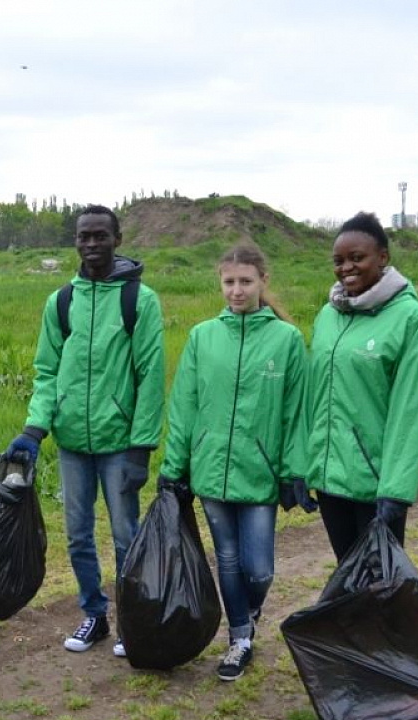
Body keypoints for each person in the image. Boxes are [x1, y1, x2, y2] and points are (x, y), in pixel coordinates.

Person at [7, 204, 165, 657]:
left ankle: (132, 622)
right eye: (83, 237)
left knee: (124, 535)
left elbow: (150, 377)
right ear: (75, 242)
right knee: (77, 534)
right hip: (73, 442)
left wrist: (141, 447)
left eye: (100, 236)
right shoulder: (61, 302)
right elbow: (46, 372)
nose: (91, 244)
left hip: (120, 445)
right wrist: (35, 430)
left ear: (117, 238)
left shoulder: (140, 300)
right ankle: (94, 615)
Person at [157, 243, 313, 681]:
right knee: (226, 558)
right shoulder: (202, 336)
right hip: (210, 469)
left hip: (260, 473)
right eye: (229, 282)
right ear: (219, 283)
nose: (237, 290)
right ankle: (239, 637)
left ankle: (251, 607)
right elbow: (184, 405)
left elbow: (295, 412)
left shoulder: (286, 340)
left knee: (258, 567)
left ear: (263, 281)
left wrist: (292, 470)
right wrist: (174, 467)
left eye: (246, 281)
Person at [305, 211, 418, 562]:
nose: (346, 267)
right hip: (330, 480)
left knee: (380, 590)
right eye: (338, 261)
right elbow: (312, 396)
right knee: (348, 580)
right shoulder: (327, 315)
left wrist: (395, 489)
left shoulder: (413, 319)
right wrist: (303, 467)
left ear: (383, 257)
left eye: (356, 258)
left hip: (375, 484)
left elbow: (410, 409)